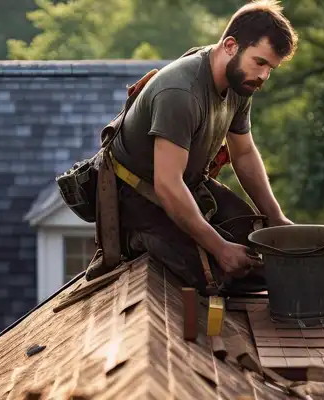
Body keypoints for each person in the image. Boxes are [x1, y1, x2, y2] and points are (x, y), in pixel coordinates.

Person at [106, 0, 298, 296]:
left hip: (189, 185)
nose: (263, 76)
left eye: (270, 68)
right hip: (138, 200)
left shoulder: (239, 81)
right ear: (231, 46)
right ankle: (139, 240)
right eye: (259, 62)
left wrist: (276, 217)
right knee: (227, 272)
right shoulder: (180, 93)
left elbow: (243, 154)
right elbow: (167, 185)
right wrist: (219, 248)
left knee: (263, 252)